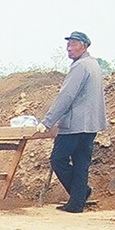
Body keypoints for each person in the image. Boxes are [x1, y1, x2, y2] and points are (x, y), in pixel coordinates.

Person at [39, 32, 107, 214]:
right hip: (91, 124)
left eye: (73, 44)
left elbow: (66, 96)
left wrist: (48, 121)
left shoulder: (80, 66)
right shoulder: (93, 64)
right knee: (81, 163)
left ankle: (81, 193)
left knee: (57, 159)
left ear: (84, 46)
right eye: (68, 45)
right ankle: (77, 202)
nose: (69, 48)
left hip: (75, 124)